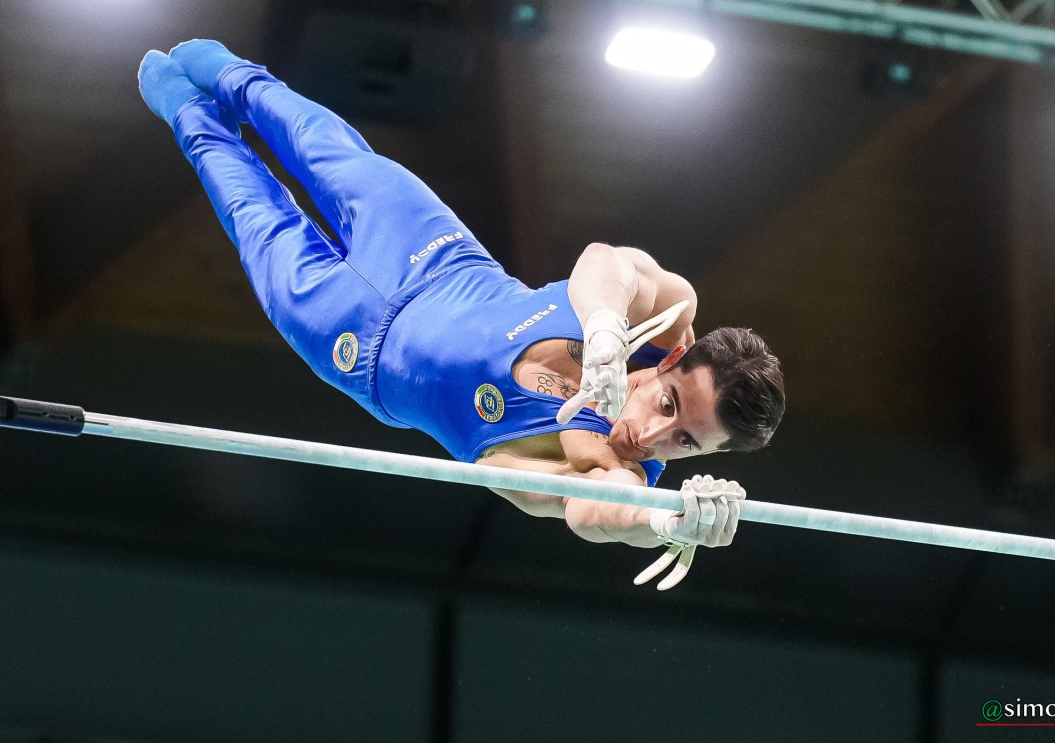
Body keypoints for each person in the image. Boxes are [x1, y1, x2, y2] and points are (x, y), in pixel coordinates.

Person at [138, 39, 785, 589]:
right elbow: (609, 262)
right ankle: (229, 71)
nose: (652, 435)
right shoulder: (666, 317)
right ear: (673, 360)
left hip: (355, 341)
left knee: (252, 208)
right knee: (321, 143)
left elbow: (597, 513)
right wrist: (605, 329)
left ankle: (185, 110)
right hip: (434, 253)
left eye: (686, 443)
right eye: (669, 404)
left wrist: (667, 521)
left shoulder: (608, 469)